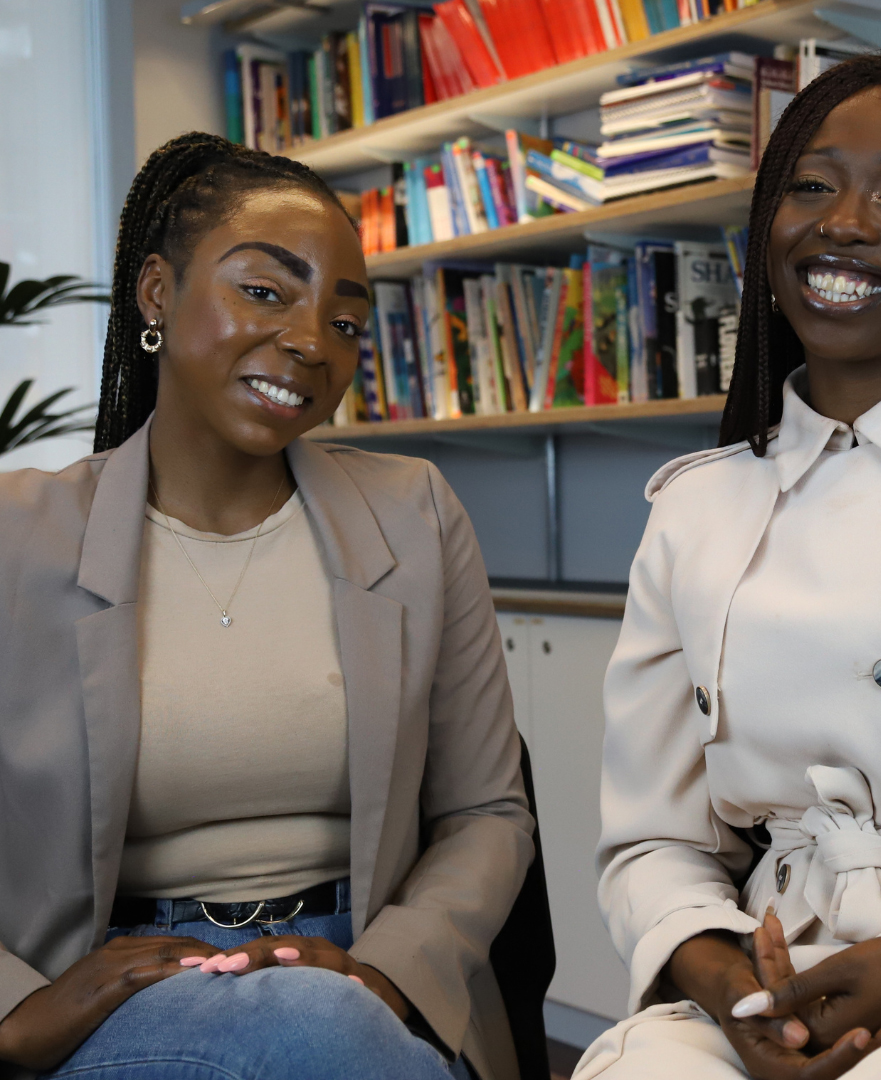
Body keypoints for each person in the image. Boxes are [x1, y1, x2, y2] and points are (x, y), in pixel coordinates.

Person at [574, 55, 881, 1080]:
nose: (844, 221)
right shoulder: (694, 509)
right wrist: (736, 996)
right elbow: (654, 846)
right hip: (793, 964)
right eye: (810, 186)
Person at [0, 133, 534, 1080]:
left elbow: (487, 810)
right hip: (116, 990)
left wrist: (387, 977)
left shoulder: (413, 511)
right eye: (264, 290)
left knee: (319, 1029)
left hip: (365, 976)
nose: (309, 340)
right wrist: (12, 1008)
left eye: (345, 321)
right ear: (156, 293)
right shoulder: (17, 533)